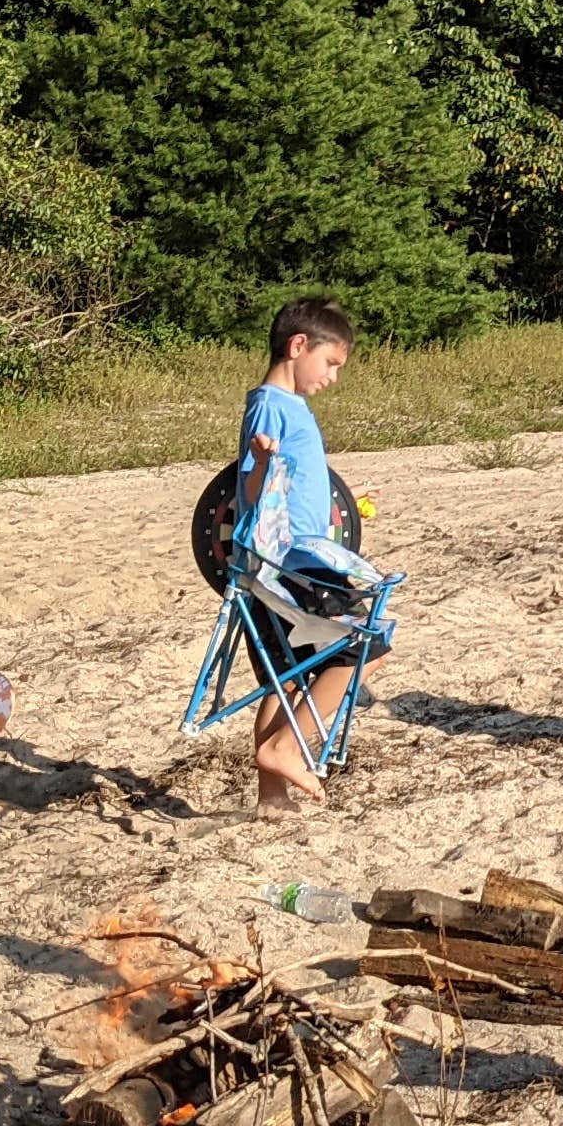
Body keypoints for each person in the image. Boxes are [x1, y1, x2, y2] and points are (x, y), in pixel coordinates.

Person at [238, 296, 355, 814]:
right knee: (362, 649)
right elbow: (249, 492)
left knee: (285, 676)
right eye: (330, 363)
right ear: (298, 345)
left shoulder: (290, 407)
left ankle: (271, 797)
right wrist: (262, 463)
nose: (332, 377)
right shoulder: (270, 405)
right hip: (287, 565)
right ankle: (286, 748)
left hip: (302, 556)